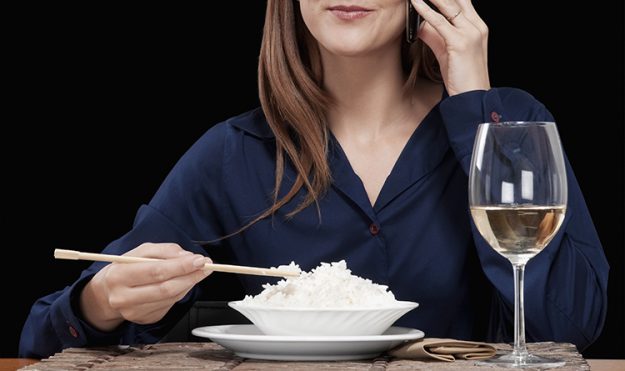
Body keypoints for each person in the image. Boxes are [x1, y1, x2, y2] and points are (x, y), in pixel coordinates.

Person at [20, 0, 608, 358]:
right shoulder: (232, 154)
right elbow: (42, 339)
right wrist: (102, 303)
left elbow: (572, 325)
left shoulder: (510, 121)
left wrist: (475, 102)